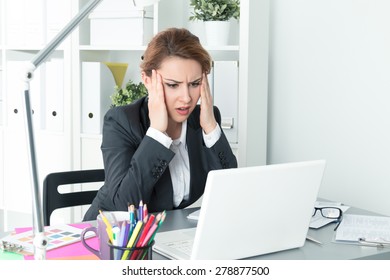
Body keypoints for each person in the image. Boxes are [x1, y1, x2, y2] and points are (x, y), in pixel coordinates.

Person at [83, 28, 237, 221]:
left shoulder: (206, 119)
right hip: (112, 235)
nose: (186, 98)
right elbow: (124, 205)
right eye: (173, 85)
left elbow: (231, 190)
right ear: (147, 80)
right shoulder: (121, 121)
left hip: (165, 234)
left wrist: (211, 128)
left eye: (195, 84)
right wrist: (157, 133)